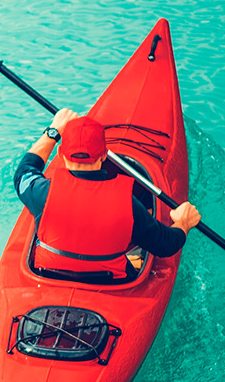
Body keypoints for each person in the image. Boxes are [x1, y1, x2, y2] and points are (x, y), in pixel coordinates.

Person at [14, 108, 201, 281]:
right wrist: (184, 222)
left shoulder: (41, 193)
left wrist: (53, 131)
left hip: (48, 274)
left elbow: (24, 171)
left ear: (62, 156)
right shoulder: (128, 203)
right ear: (104, 155)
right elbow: (166, 245)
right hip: (108, 279)